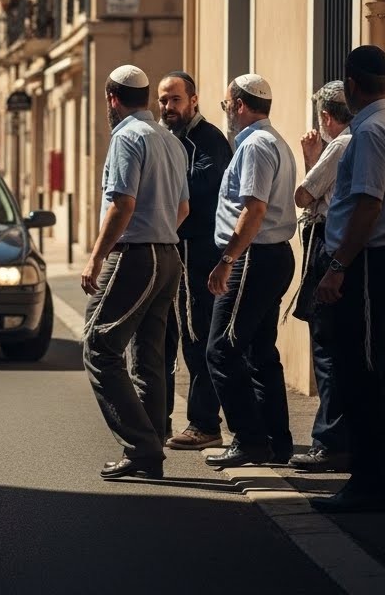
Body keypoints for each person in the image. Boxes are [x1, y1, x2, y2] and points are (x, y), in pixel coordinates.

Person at [310, 45, 385, 513]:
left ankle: (369, 483)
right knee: (381, 371)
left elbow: (368, 203)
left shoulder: (372, 132)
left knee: (364, 374)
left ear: (352, 86)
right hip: (384, 262)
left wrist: (338, 267)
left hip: (371, 264)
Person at [81, 64, 190, 480]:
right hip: (167, 255)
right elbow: (183, 209)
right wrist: (160, 235)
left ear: (112, 98)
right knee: (148, 356)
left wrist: (96, 256)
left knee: (98, 347)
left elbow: (121, 204)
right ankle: (152, 440)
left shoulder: (127, 137)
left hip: (135, 256)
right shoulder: (169, 140)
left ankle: (142, 447)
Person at [203, 73, 299, 469]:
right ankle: (276, 441)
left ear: (240, 106)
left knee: (221, 350)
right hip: (268, 256)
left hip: (253, 257)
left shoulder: (256, 145)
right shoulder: (272, 140)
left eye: (227, 106)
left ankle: (249, 439)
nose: (226, 113)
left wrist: (227, 260)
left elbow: (254, 209)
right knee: (260, 352)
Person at [156, 70, 232, 451]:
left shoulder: (208, 140)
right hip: (176, 250)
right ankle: (166, 419)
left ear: (194, 100)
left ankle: (205, 424)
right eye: (163, 100)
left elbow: (202, 187)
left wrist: (158, 181)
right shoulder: (170, 139)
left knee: (198, 334)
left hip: (200, 252)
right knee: (180, 336)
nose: (168, 107)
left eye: (175, 100)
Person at [287, 81, 355, 471]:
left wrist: (310, 156)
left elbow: (304, 195)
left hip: (329, 248)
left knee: (327, 350)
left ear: (327, 118)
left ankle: (330, 442)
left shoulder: (340, 144)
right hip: (342, 248)